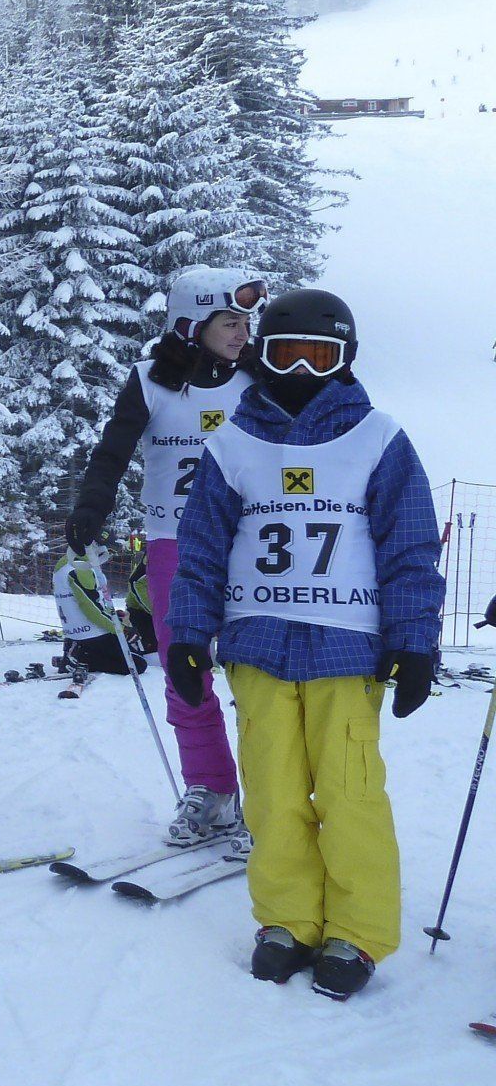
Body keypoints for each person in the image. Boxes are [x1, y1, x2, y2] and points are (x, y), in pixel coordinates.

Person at [166, 288, 443, 1001]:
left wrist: (415, 642)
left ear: (345, 361)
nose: (301, 369)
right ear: (264, 352)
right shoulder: (232, 443)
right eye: (286, 354)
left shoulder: (378, 437)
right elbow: (200, 550)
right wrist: (188, 636)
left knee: (349, 795)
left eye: (320, 356)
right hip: (257, 647)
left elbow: (409, 545)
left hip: (348, 649)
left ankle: (358, 929)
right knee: (273, 793)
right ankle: (287, 919)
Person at [69, 266, 265, 843]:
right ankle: (212, 790)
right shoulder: (149, 381)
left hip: (246, 544)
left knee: (256, 674)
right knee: (185, 671)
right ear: (191, 323)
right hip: (172, 545)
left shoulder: (258, 381)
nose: (240, 333)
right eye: (229, 322)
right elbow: (111, 453)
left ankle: (271, 799)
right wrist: (90, 508)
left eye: (246, 322)